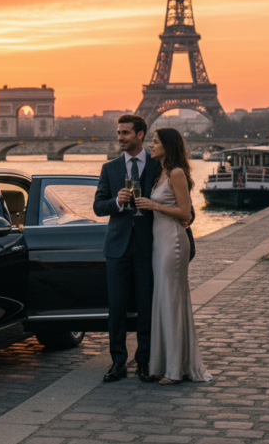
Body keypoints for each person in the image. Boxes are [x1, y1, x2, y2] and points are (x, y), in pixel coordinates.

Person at [134, 128, 212, 385]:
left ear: (167, 145)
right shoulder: (160, 172)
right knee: (164, 300)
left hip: (173, 243)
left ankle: (175, 370)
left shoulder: (176, 173)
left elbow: (185, 212)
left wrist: (153, 205)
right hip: (161, 241)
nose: (151, 145)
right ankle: (166, 363)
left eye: (155, 141)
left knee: (172, 301)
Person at [93, 115, 158, 383]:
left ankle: (144, 360)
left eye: (126, 133)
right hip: (117, 247)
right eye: (118, 132)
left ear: (140, 134)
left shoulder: (158, 165)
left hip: (148, 245)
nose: (120, 137)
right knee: (117, 308)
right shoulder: (110, 168)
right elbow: (98, 206)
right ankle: (118, 361)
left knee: (146, 306)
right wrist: (116, 203)